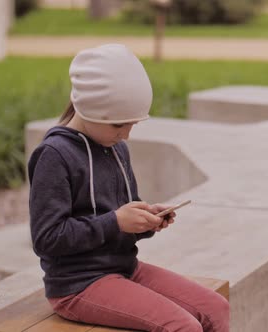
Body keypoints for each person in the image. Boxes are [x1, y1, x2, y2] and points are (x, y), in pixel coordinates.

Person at [28, 44, 229, 332]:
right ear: (90, 111)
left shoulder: (116, 148)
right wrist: (115, 222)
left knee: (216, 308)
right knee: (183, 327)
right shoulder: (54, 156)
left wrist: (147, 219)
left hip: (124, 268)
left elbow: (122, 215)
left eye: (132, 124)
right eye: (119, 125)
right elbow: (47, 238)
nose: (126, 134)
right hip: (77, 284)